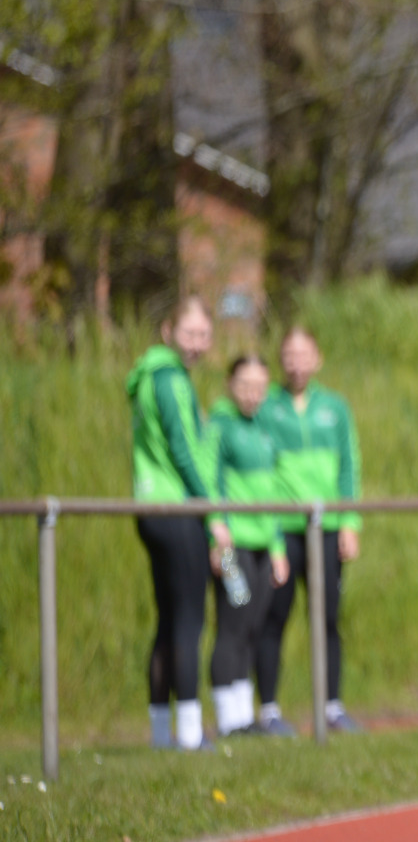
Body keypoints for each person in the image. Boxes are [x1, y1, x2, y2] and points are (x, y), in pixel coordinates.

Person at [127, 295, 230, 752]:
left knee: (169, 619)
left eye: (204, 335)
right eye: (189, 333)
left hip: (151, 508)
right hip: (176, 510)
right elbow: (184, 452)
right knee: (189, 620)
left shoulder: (151, 375)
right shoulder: (170, 379)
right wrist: (212, 513)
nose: (197, 344)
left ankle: (159, 732)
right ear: (168, 332)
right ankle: (189, 732)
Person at [256, 326, 364, 735]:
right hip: (284, 530)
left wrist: (349, 523)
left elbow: (349, 466)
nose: (297, 363)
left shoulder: (335, 408)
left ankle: (332, 706)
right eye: (289, 355)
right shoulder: (267, 407)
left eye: (304, 355)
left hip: (328, 528)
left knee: (328, 618)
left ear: (317, 359)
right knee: (274, 616)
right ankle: (268, 709)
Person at [209, 354, 291, 737]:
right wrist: (217, 534)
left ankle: (244, 716)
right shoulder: (219, 425)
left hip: (262, 546)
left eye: (260, 387)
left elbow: (272, 492)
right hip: (231, 546)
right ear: (230, 383)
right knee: (232, 622)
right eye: (245, 385)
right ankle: (227, 717)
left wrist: (277, 547)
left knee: (253, 625)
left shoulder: (264, 428)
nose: (252, 394)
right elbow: (210, 482)